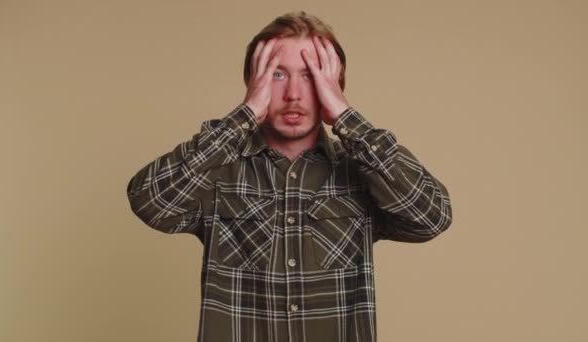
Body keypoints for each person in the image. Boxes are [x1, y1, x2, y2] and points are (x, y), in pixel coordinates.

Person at [126, 11, 452, 342]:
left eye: (310, 76)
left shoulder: (362, 171)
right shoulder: (218, 172)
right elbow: (150, 202)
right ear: (254, 83)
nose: (294, 94)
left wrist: (346, 117)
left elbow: (431, 216)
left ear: (334, 86)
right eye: (279, 75)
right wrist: (244, 116)